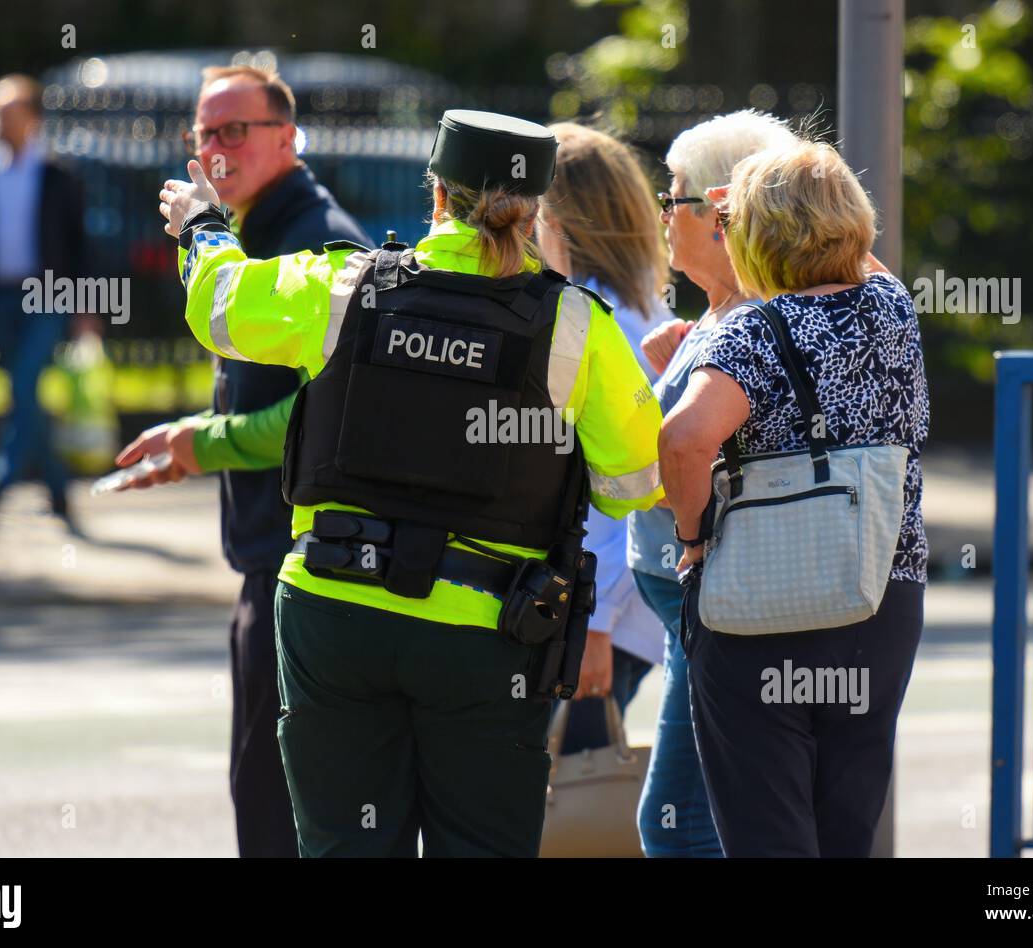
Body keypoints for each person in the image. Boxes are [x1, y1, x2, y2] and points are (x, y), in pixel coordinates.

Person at [158, 109, 665, 857]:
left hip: (336, 614)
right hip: (489, 635)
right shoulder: (575, 327)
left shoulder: (343, 282)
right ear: (534, 214)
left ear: (437, 195)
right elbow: (632, 483)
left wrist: (204, 227)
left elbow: (222, 306)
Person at [111, 64, 370, 858]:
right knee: (265, 798)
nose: (216, 148)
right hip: (269, 557)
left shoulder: (319, 240)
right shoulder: (248, 231)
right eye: (204, 132)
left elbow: (332, 416)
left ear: (287, 138)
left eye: (236, 130)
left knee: (274, 809)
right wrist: (194, 434)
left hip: (310, 568)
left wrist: (205, 445)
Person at [658, 138, 929, 857]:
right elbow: (852, 254)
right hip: (879, 594)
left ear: (750, 233)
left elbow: (683, 442)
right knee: (845, 827)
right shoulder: (891, 305)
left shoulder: (750, 333)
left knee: (768, 831)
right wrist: (790, 191)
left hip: (761, 608)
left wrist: (692, 539)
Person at [630, 111, 797, 858]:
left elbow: (692, 451)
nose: (663, 216)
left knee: (678, 824)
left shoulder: (757, 317)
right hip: (695, 613)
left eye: (674, 198)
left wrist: (686, 535)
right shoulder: (723, 313)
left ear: (721, 211)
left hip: (717, 607)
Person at [534, 122, 671, 751]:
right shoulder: (645, 314)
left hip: (594, 616)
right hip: (616, 611)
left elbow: (615, 488)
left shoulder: (588, 318)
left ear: (558, 219)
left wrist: (592, 623)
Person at [0, 74, 84, 526]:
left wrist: (86, 307)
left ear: (32, 118)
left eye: (9, 111)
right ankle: (58, 489)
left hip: (47, 295)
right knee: (26, 393)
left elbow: (79, 243)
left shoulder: (57, 173)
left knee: (24, 384)